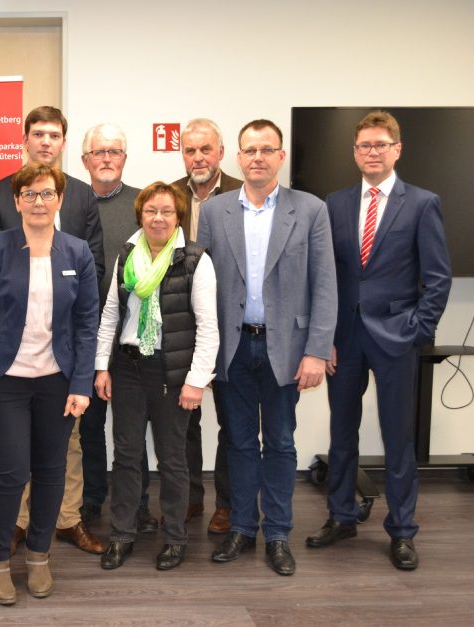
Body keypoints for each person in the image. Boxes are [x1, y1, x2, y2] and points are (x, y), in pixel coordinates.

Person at [306, 111, 451, 570]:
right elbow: (324, 277)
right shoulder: (336, 202)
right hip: (344, 340)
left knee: (397, 438)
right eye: (364, 146)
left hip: (396, 339)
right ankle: (342, 516)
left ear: (397, 149)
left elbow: (438, 278)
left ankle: (403, 531)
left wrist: (416, 331)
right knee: (341, 434)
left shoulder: (422, 203)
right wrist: (322, 336)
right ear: (354, 152)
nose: (371, 152)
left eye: (380, 145)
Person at [197, 119, 337, 576]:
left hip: (287, 350)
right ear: (238, 157)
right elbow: (202, 284)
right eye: (249, 149)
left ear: (281, 157)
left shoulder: (311, 209)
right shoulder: (215, 212)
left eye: (266, 149)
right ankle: (242, 527)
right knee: (237, 442)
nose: (257, 157)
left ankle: (277, 533)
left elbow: (325, 284)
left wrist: (317, 349)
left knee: (279, 443)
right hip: (232, 350)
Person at [0, 105, 106, 556]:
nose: (46, 141)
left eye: (54, 134)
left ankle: (64, 522)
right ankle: (18, 525)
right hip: (11, 359)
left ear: (63, 143)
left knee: (61, 455)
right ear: (25, 139)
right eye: (38, 134)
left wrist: (82, 370)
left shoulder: (84, 197)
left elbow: (96, 272)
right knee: (14, 463)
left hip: (62, 357)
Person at [95, 182, 219, 571]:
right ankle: (122, 535)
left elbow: (208, 326)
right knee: (128, 456)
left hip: (173, 373)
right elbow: (111, 316)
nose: (158, 218)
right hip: (129, 368)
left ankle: (175, 539)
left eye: (166, 211)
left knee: (172, 460)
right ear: (140, 215)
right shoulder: (127, 256)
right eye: (151, 211)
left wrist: (196, 381)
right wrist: (102, 366)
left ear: (178, 217)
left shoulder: (195, 260)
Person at [78, 123, 158, 534]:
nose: (106, 158)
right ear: (85, 159)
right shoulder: (70, 201)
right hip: (85, 332)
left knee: (131, 426)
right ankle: (91, 499)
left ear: (125, 158)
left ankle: (138, 502)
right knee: (90, 423)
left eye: (115, 151)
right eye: (99, 152)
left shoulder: (143, 205)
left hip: (132, 334)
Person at [172, 118, 243, 534]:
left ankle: (228, 505)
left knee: (232, 423)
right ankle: (190, 499)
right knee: (184, 422)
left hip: (231, 325)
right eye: (190, 150)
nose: (197, 157)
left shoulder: (241, 191)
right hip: (183, 326)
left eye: (205, 149)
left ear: (219, 153)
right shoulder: (170, 195)